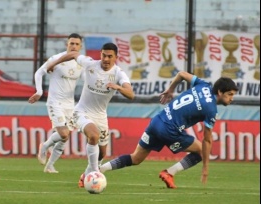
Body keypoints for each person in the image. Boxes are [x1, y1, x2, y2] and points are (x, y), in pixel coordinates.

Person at [99, 71, 238, 188]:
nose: (232, 98)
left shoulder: (203, 85)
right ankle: (169, 173)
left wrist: (171, 89)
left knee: (135, 158)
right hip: (169, 130)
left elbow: (182, 74)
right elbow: (207, 140)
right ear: (220, 92)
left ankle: (99, 170)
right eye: (230, 94)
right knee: (201, 150)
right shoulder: (211, 109)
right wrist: (206, 168)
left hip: (157, 121)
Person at [47, 43, 135, 187]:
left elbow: (131, 94)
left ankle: (86, 174)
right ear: (100, 54)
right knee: (93, 135)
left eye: (109, 56)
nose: (106, 59)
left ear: (116, 57)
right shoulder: (90, 64)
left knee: (102, 153)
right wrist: (53, 63)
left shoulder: (119, 73)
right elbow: (73, 55)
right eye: (103, 55)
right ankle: (94, 173)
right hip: (82, 111)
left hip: (100, 116)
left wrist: (118, 87)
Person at [28, 33, 84, 173]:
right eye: (71, 43)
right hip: (55, 102)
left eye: (77, 44)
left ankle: (50, 166)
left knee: (64, 138)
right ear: (67, 44)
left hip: (69, 105)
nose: (74, 46)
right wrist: (39, 91)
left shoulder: (82, 64)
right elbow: (39, 72)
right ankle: (45, 146)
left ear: (80, 46)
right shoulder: (56, 59)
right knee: (63, 134)